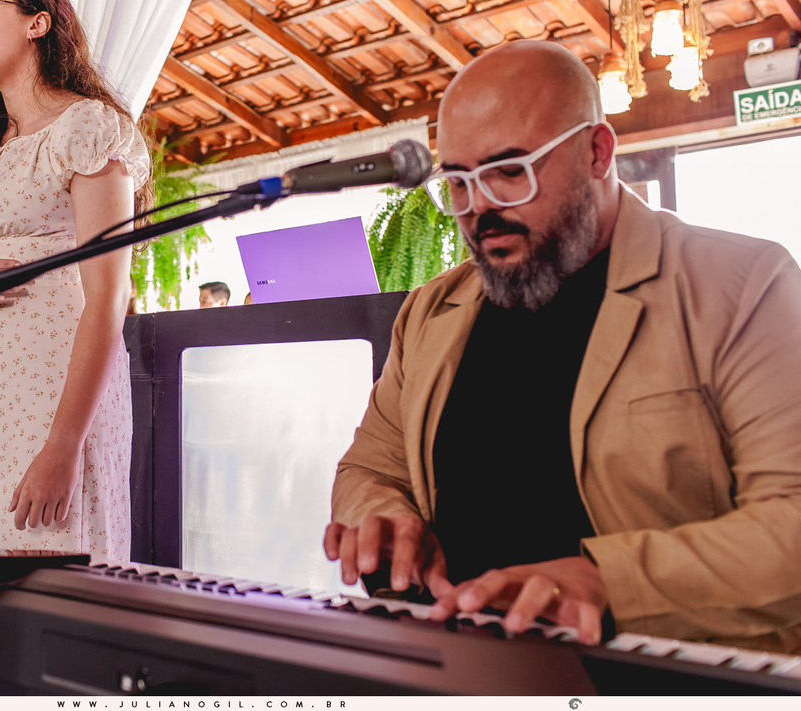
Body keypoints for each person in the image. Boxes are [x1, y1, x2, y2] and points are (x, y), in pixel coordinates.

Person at [324, 39, 801, 654]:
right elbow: (369, 466)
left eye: (508, 172)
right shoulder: (431, 312)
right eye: (460, 183)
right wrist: (382, 518)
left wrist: (608, 582)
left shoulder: (741, 285)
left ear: (598, 151)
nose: (481, 211)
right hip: (467, 672)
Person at [0, 0, 150, 560]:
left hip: (55, 401)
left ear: (38, 23)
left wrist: (63, 445)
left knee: (51, 582)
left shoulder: (87, 127)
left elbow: (108, 297)